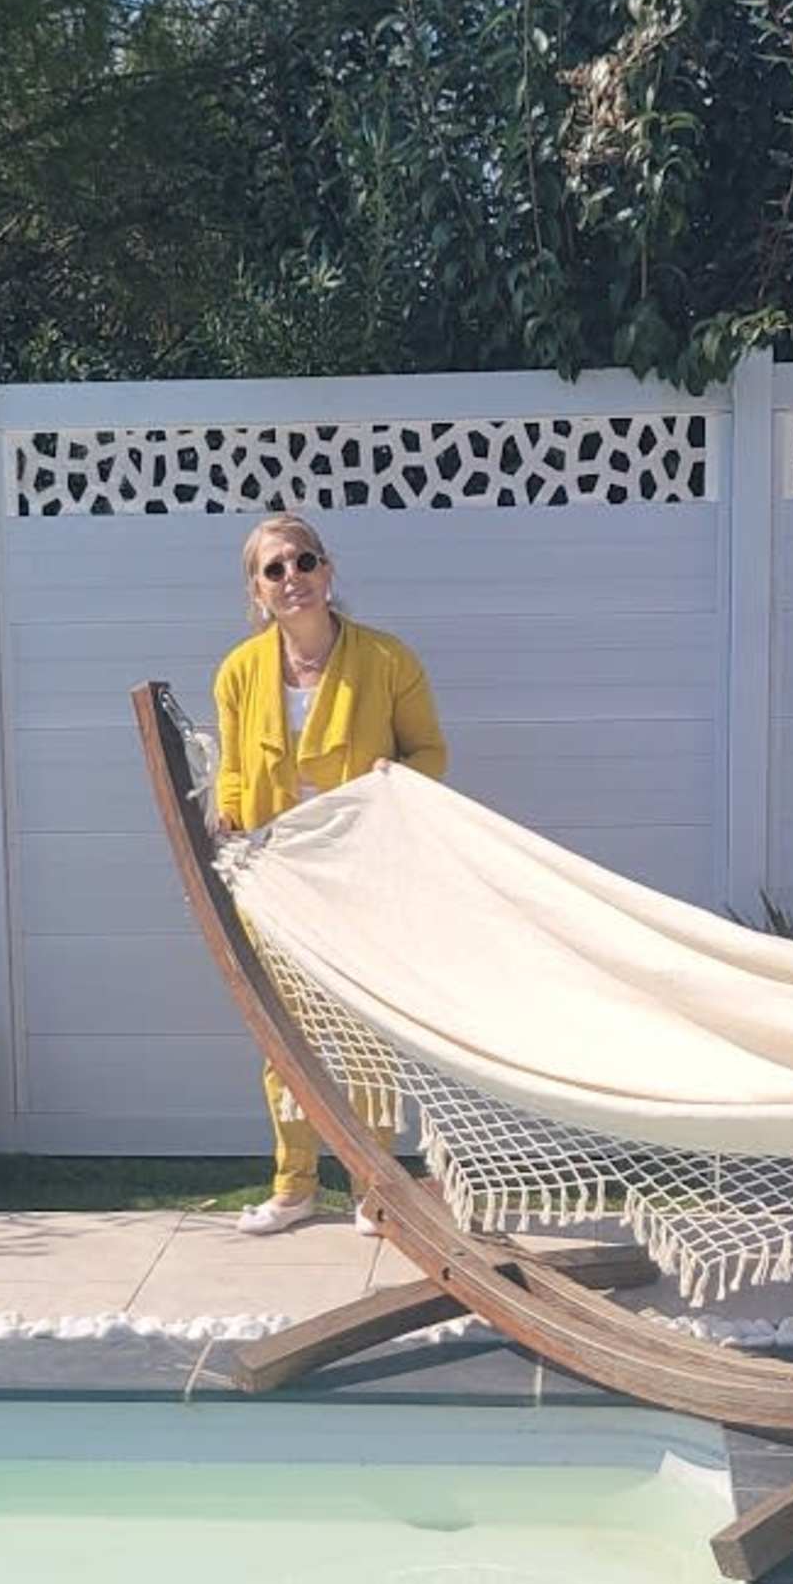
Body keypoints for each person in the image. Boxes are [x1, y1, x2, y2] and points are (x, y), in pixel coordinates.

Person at [209, 512, 448, 1234]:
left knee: (366, 1037)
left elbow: (431, 755)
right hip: (274, 881)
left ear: (327, 570)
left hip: (362, 879)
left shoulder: (387, 659)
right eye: (274, 569)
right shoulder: (238, 671)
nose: (293, 579)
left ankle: (375, 1188)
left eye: (304, 561)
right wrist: (225, 811)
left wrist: (391, 775)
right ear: (256, 590)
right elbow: (231, 772)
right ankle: (294, 1186)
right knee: (284, 1039)